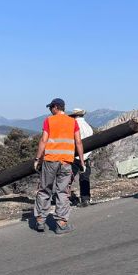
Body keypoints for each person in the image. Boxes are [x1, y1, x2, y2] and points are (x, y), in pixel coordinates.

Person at [33, 98, 86, 234]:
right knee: (63, 192)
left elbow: (44, 140)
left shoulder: (49, 121)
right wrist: (81, 161)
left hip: (50, 160)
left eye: (51, 107)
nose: (50, 110)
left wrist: (37, 158)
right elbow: (78, 142)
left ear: (56, 107)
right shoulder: (72, 122)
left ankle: (40, 220)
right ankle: (61, 224)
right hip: (66, 162)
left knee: (45, 189)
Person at [68, 108, 94, 207]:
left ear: (74, 116)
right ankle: (85, 198)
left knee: (67, 178)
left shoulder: (74, 125)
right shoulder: (88, 127)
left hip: (75, 156)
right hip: (86, 156)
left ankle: (63, 198)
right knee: (84, 178)